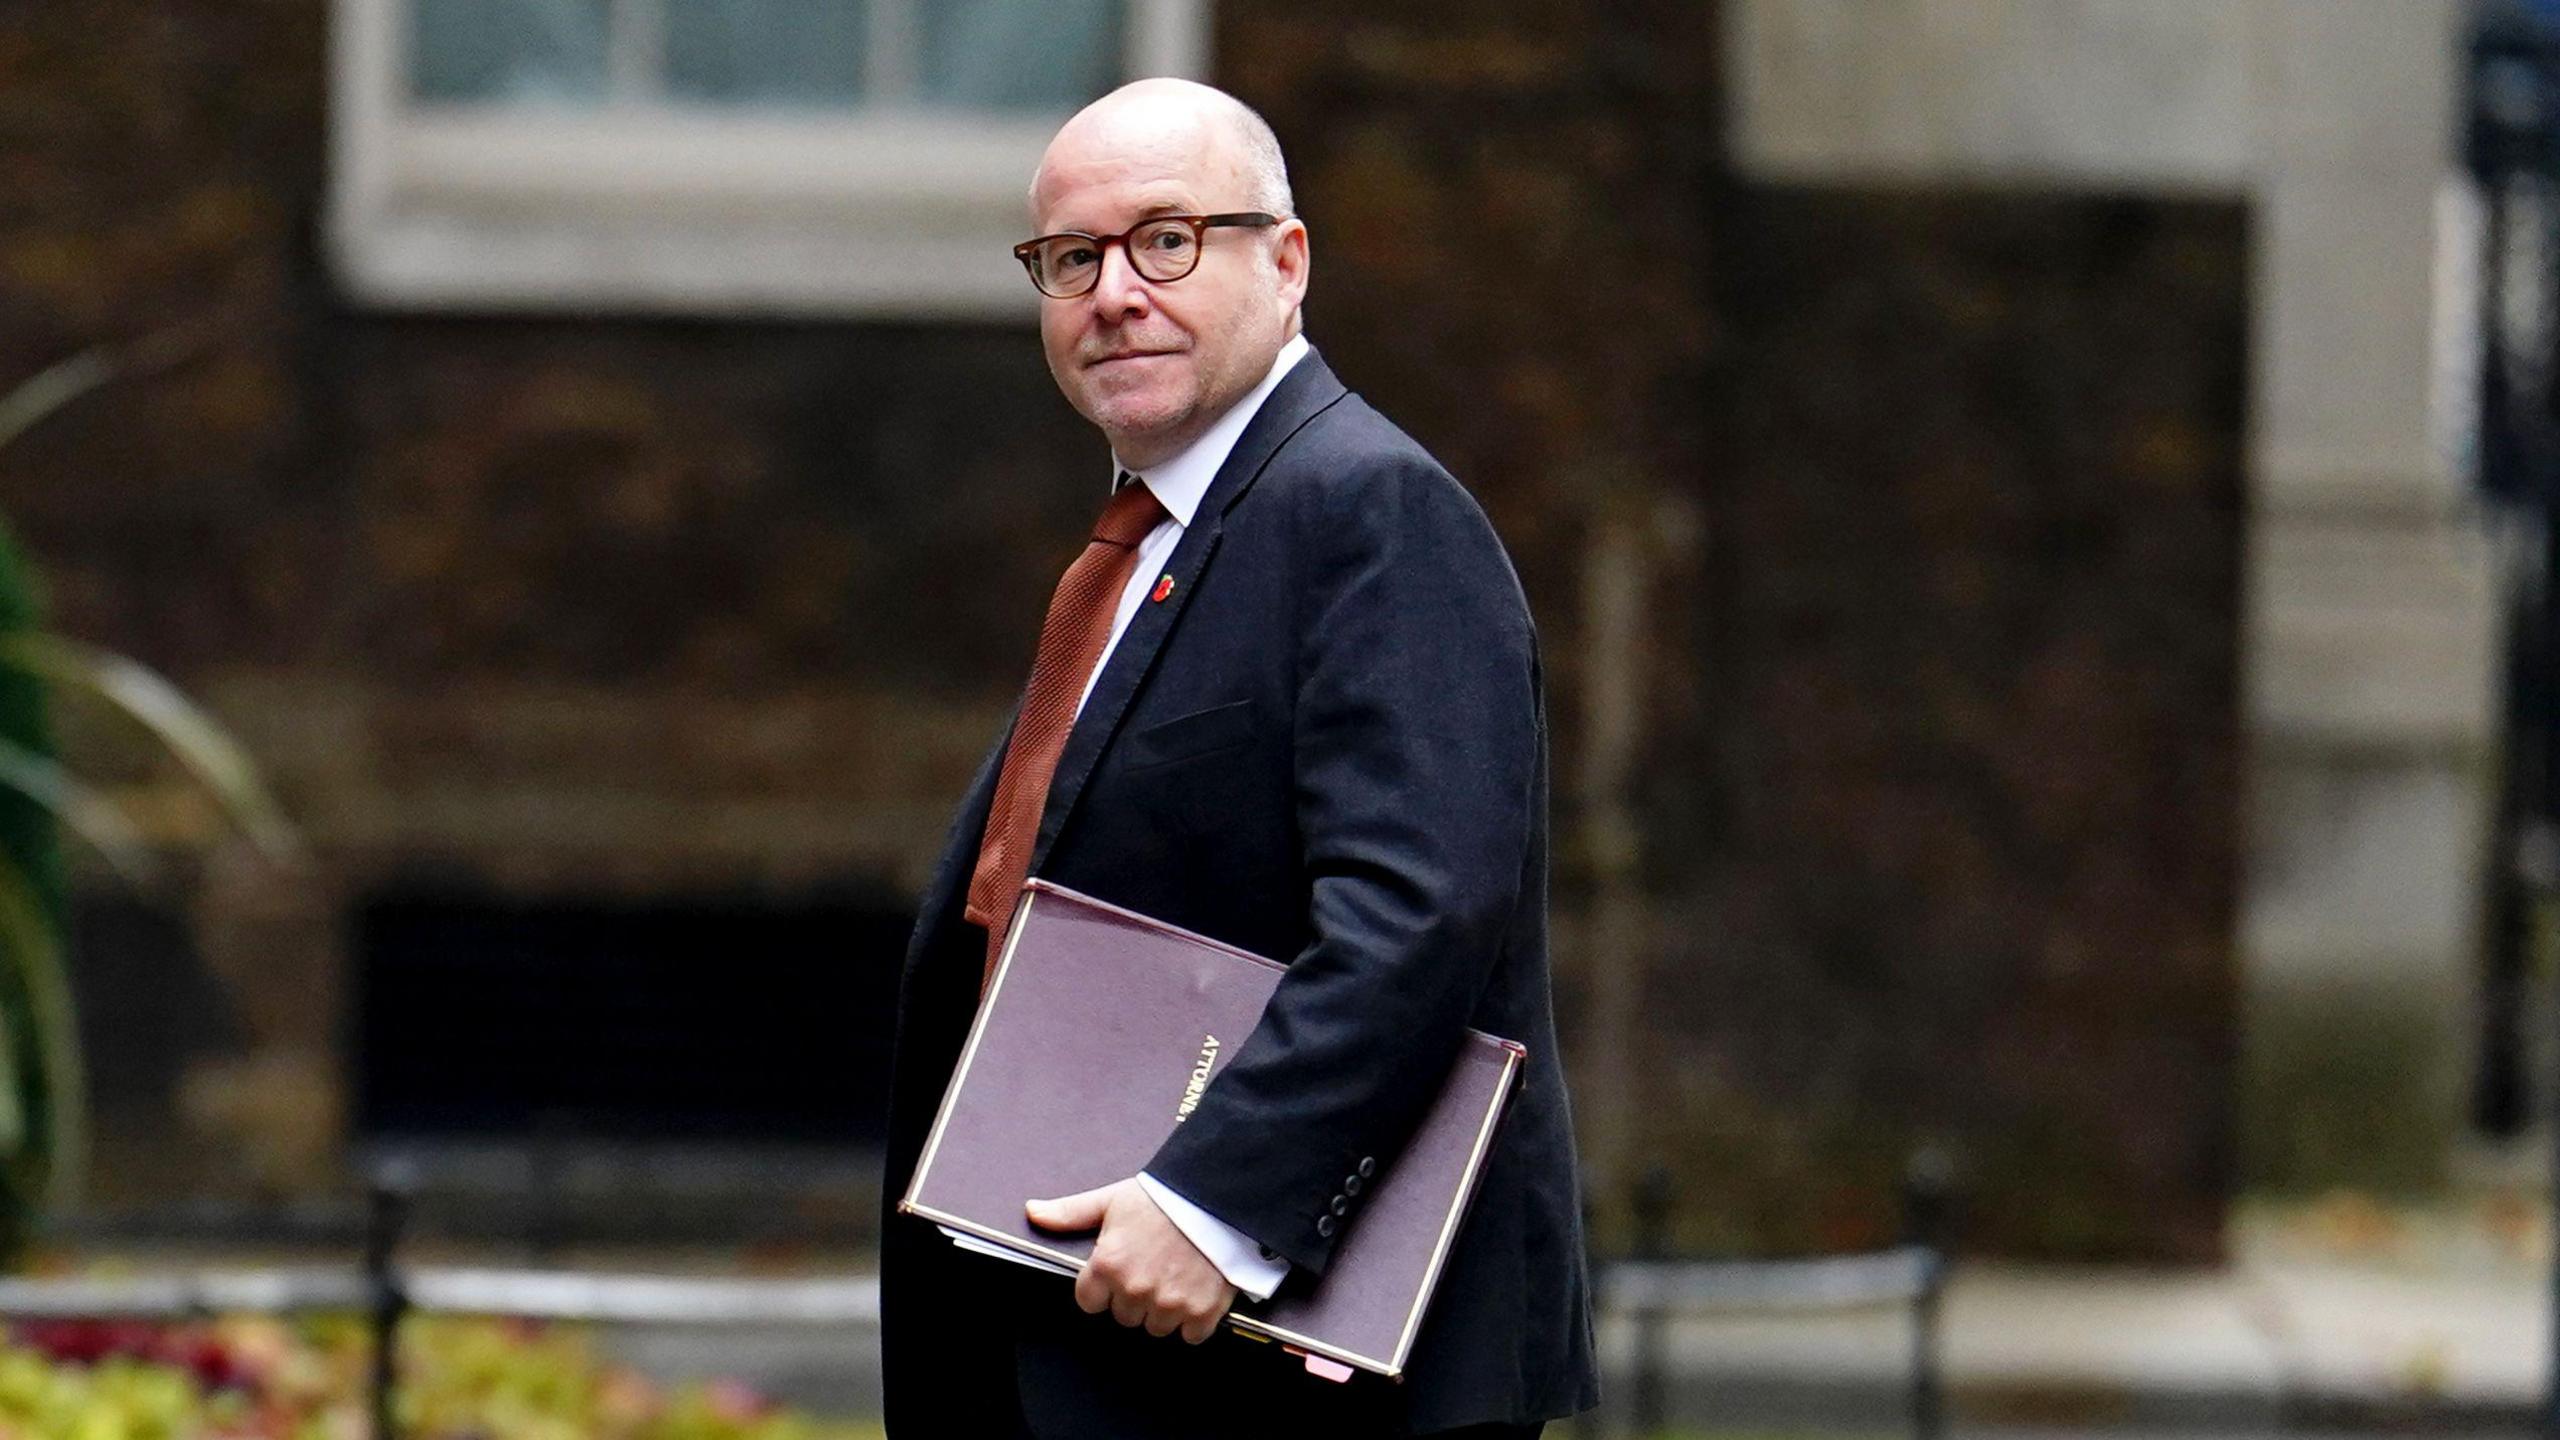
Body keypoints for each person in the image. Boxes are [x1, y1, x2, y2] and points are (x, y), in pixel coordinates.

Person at [878, 77, 1598, 1439]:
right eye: (1070, 259)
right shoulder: (1148, 547)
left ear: (1287, 260)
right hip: (1098, 1349)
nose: (1113, 293)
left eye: (1167, 239)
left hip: (1293, 1371)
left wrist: (1219, 1205)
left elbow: (1419, 914)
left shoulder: (1369, 510)